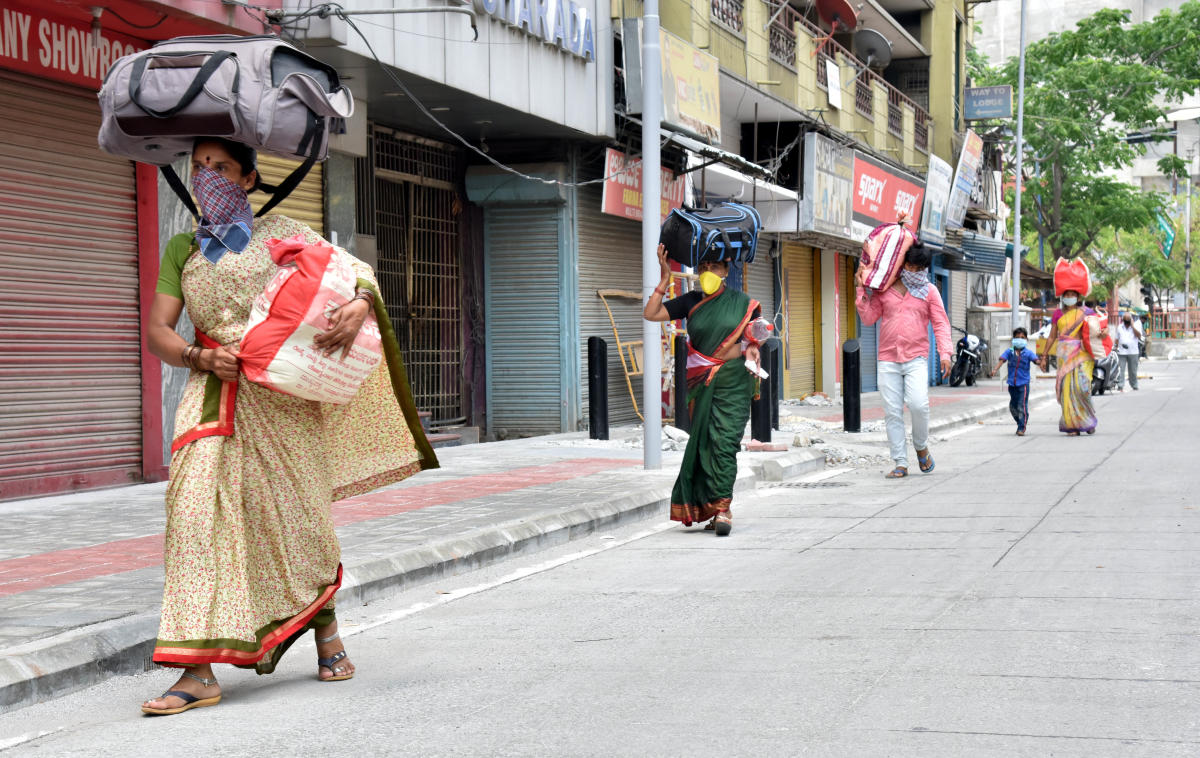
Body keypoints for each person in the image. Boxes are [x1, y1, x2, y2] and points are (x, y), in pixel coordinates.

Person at [140, 138, 437, 715]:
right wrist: (197, 358)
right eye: (199, 167)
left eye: (221, 167)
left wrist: (357, 306)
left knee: (294, 521)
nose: (208, 176)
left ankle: (326, 630)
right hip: (211, 397)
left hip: (284, 400)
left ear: (250, 179)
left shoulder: (284, 232)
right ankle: (196, 671)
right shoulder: (182, 248)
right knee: (195, 516)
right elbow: (157, 331)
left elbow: (357, 276)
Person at [643, 244, 762, 536]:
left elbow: (754, 338)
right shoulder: (691, 301)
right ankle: (711, 508)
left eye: (715, 266)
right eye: (703, 266)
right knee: (705, 446)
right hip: (700, 386)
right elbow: (651, 313)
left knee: (724, 445)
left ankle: (723, 508)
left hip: (733, 386)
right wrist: (664, 278)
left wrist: (751, 349)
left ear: (726, 270)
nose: (708, 271)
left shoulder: (745, 303)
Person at [855, 242, 952, 479]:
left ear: (924, 269)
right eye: (909, 265)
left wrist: (946, 353)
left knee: (919, 405)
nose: (913, 271)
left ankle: (921, 446)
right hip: (887, 358)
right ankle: (900, 462)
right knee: (892, 412)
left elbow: (940, 323)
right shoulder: (884, 289)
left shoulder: (929, 291)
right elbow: (868, 318)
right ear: (902, 263)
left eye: (919, 268)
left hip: (916, 357)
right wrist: (861, 291)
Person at [1039, 288, 1098, 435]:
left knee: (1082, 388)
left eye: (1072, 295)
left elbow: (1096, 331)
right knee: (1067, 389)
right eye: (1067, 295)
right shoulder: (1057, 314)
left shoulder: (1086, 313)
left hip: (1082, 353)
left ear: (1078, 297)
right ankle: (1072, 425)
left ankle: (1088, 420)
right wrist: (1044, 356)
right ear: (1062, 297)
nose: (1069, 297)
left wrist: (1103, 334)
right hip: (1064, 354)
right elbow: (1052, 336)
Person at [991, 327, 1039, 436]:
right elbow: (1002, 360)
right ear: (1013, 339)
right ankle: (1020, 422)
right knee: (1013, 406)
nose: (1019, 339)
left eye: (1022, 337)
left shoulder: (1028, 353)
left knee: (1021, 405)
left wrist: (1041, 362)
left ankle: (1022, 427)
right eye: (1017, 337)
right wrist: (995, 370)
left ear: (1026, 339)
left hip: (1024, 384)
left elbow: (1036, 360)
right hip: (1012, 384)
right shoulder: (1010, 351)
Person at [1114, 312, 1143, 391]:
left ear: (1131, 320)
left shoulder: (1136, 326)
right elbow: (1117, 338)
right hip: (1121, 352)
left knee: (1133, 371)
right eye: (1125, 321)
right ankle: (1120, 385)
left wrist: (1133, 326)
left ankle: (1134, 385)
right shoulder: (1120, 327)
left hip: (1133, 352)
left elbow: (1139, 336)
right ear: (1123, 320)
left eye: (1128, 321)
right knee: (1121, 370)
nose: (1126, 323)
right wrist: (1115, 347)